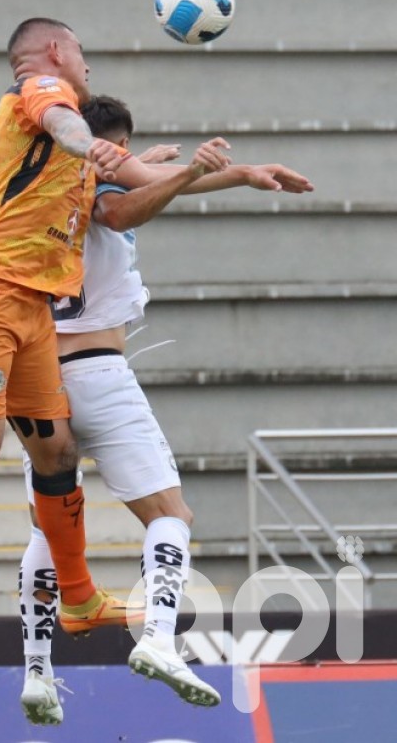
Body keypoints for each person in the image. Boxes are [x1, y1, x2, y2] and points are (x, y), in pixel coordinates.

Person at [0, 18, 235, 691]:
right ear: (60, 53)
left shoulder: (79, 167)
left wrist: (232, 173)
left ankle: (76, 599)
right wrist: (89, 142)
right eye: (84, 56)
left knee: (55, 456)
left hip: (35, 313)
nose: (87, 69)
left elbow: (134, 180)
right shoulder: (38, 90)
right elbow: (73, 133)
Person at [17, 95, 315, 724]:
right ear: (108, 146)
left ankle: (37, 671)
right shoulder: (90, 179)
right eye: (124, 150)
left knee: (50, 526)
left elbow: (135, 185)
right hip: (97, 372)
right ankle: (156, 634)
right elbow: (122, 207)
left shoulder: (35, 182)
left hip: (41, 381)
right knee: (171, 514)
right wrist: (187, 172)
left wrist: (240, 173)